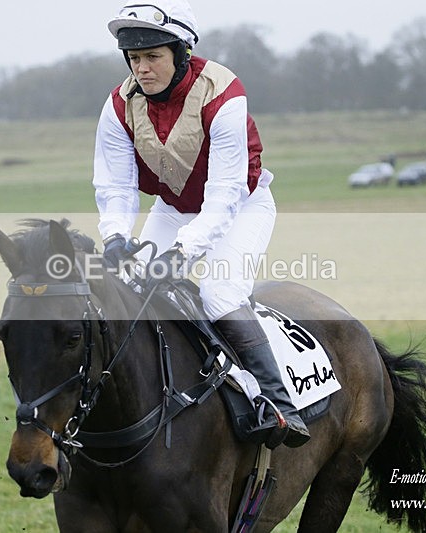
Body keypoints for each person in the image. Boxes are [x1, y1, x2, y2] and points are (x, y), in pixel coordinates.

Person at [92, 0, 309, 448]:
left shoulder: (223, 93)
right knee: (129, 291)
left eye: (153, 56)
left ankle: (277, 403)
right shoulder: (117, 105)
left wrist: (183, 252)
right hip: (173, 209)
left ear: (182, 53)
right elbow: (116, 184)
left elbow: (225, 194)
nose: (142, 69)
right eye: (134, 58)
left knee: (218, 293)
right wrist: (115, 237)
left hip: (241, 206)